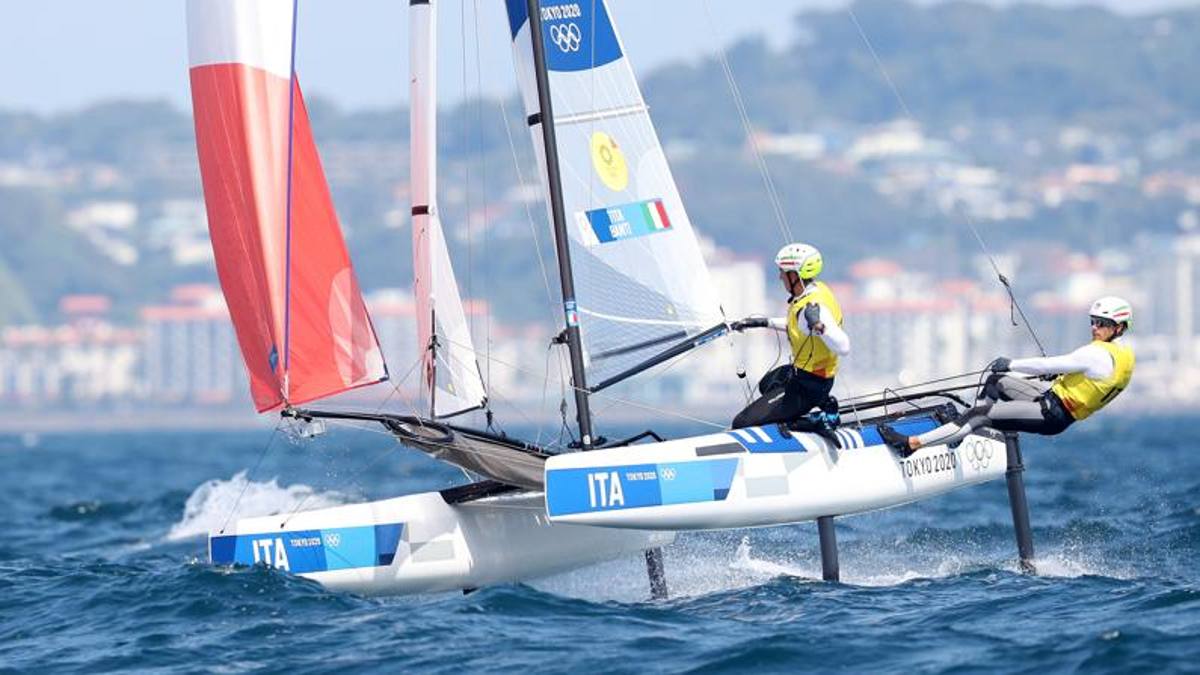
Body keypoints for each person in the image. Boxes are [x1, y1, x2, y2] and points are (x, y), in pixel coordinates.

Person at [879, 296, 1135, 456]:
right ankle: (960, 433)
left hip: (1052, 415)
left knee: (979, 414)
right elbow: (1089, 379)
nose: (1094, 327)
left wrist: (1012, 364)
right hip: (1049, 398)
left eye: (1101, 323)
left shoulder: (1097, 354)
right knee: (995, 383)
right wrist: (1061, 376)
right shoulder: (1124, 357)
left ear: (1119, 327)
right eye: (1093, 321)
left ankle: (912, 444)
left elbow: (1046, 365)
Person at [728, 243, 851, 429]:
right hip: (805, 375)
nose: (780, 277)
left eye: (783, 272)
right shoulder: (817, 290)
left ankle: (819, 419)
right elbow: (796, 325)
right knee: (767, 384)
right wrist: (762, 322)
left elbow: (844, 347)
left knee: (741, 422)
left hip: (810, 385)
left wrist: (819, 325)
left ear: (795, 275)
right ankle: (825, 404)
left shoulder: (813, 309)